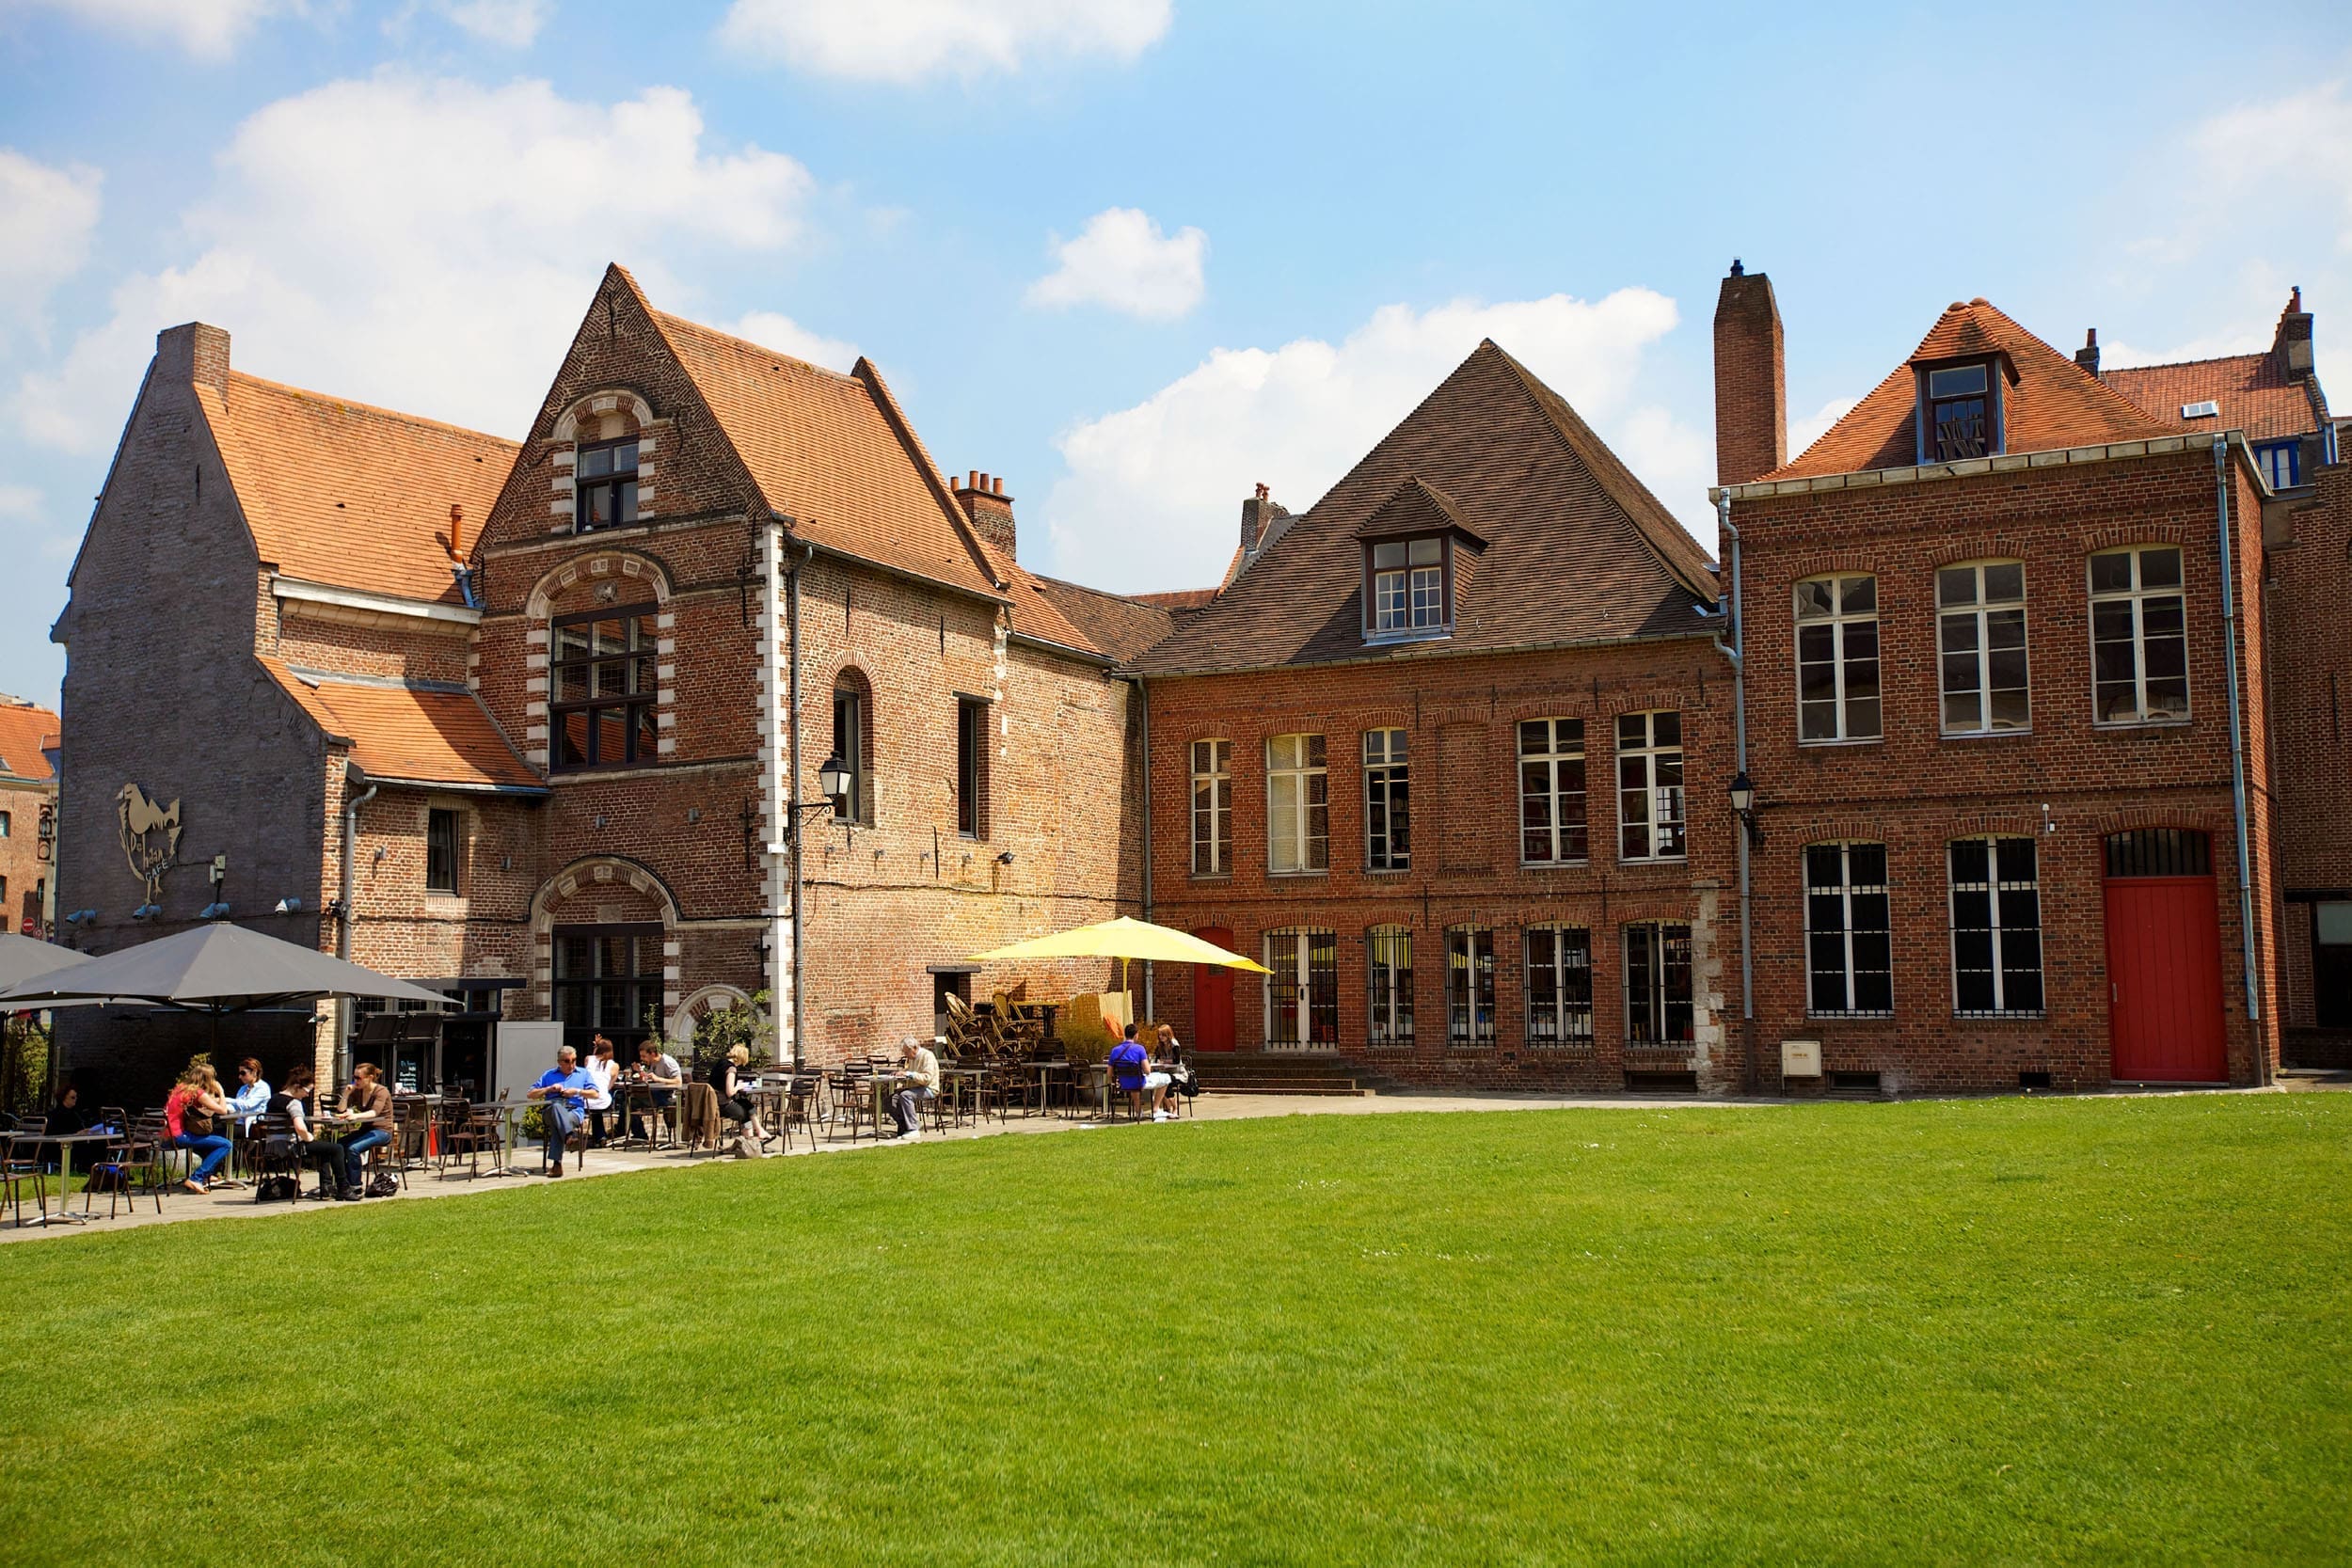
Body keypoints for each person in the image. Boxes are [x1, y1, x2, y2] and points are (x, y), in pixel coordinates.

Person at [527, 1045, 596, 1177]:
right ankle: (569, 1136)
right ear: (559, 1062)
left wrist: (576, 1091)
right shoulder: (549, 1075)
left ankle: (557, 1165)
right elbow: (530, 1094)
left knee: (558, 1124)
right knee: (556, 1108)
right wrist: (549, 1089)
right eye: (567, 1061)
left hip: (574, 1111)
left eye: (574, 1060)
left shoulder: (583, 1073)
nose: (571, 1065)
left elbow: (595, 1094)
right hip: (550, 1110)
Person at [164, 1068, 234, 1194]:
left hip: (165, 1136)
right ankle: (197, 1178)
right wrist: (221, 1092)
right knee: (226, 1144)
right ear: (208, 1079)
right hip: (179, 1136)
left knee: (208, 1143)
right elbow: (222, 1110)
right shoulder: (197, 1092)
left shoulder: (180, 1088)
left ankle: (208, 1176)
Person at [330, 1063, 395, 1197]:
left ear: (370, 1078)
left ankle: (355, 1186)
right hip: (366, 1129)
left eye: (358, 1078)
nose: (355, 1081)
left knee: (353, 1148)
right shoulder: (358, 1091)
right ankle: (342, 1183)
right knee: (338, 1146)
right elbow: (341, 1110)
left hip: (382, 1131)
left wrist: (355, 1116)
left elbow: (374, 1112)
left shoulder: (381, 1091)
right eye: (354, 1077)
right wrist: (346, 1094)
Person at [707, 1044, 772, 1149]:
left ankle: (759, 1132)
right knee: (745, 1114)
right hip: (723, 1106)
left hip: (713, 1103)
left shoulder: (720, 1063)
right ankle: (750, 1144)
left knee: (745, 1103)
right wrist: (738, 1086)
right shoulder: (731, 1069)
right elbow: (729, 1092)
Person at [1107, 1023, 1174, 1122]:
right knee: (1166, 1078)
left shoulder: (1114, 1051)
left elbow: (1109, 1074)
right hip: (1139, 1083)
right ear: (1136, 1035)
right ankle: (1155, 1108)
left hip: (1123, 1084)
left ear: (1125, 1035)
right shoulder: (1139, 1049)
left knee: (1133, 1084)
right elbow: (1147, 1071)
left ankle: (1139, 1111)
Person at [887, 1036, 939, 1141]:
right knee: (890, 1100)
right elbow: (909, 1075)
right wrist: (899, 1076)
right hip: (914, 1087)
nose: (906, 1055)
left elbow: (927, 1078)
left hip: (929, 1088)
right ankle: (905, 1127)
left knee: (905, 1096)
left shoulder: (927, 1056)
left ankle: (913, 1129)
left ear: (914, 1048)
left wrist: (909, 1074)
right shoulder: (911, 1058)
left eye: (907, 1052)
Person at [631, 1037, 683, 1143]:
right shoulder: (653, 1064)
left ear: (653, 1054)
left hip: (667, 1097)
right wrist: (641, 1073)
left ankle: (639, 1134)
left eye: (644, 1056)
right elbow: (652, 1079)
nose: (642, 1059)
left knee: (632, 1102)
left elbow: (678, 1082)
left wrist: (658, 1079)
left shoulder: (667, 1062)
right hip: (654, 1094)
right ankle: (640, 1135)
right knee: (628, 1103)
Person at [582, 1037, 619, 1147]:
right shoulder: (614, 1066)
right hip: (603, 1102)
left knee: (594, 1107)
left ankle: (599, 1137)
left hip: (586, 1101)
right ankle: (600, 1137)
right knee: (599, 1102)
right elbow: (609, 1086)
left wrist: (596, 1046)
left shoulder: (588, 1059)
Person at [226, 1057, 271, 1132]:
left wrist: (226, 1099)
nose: (240, 1077)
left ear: (254, 1072)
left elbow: (248, 1105)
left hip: (253, 1126)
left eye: (243, 1073)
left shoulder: (263, 1088)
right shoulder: (243, 1088)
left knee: (224, 1132)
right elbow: (236, 1106)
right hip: (239, 1123)